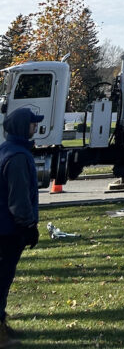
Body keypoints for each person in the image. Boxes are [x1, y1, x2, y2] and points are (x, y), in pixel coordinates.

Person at [0, 107, 43, 346]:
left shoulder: (6, 150)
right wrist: (28, 226)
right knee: (2, 278)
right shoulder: (16, 156)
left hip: (5, 227)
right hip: (7, 230)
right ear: (21, 127)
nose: (35, 127)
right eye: (32, 124)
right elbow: (18, 198)